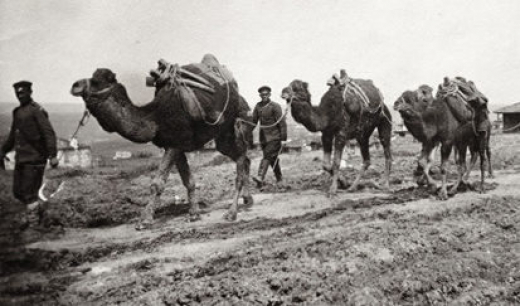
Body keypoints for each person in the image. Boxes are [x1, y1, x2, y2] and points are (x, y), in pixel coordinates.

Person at [0, 81, 59, 237]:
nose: (20, 95)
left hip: (35, 158)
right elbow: (14, 135)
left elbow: (48, 133)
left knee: (28, 193)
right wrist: (3, 150)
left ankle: (34, 227)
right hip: (22, 159)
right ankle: (42, 217)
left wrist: (52, 155)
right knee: (17, 192)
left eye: (23, 92)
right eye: (17, 93)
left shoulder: (37, 111)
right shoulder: (17, 112)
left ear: (30, 92)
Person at [251, 86, 287, 187]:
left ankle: (260, 177)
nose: (264, 96)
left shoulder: (275, 106)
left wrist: (283, 139)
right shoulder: (258, 106)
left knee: (267, 156)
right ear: (260, 95)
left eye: (266, 94)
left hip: (275, 137)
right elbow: (253, 121)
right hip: (263, 139)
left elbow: (282, 123)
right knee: (273, 159)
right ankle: (280, 179)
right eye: (262, 95)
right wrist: (246, 131)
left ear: (269, 95)